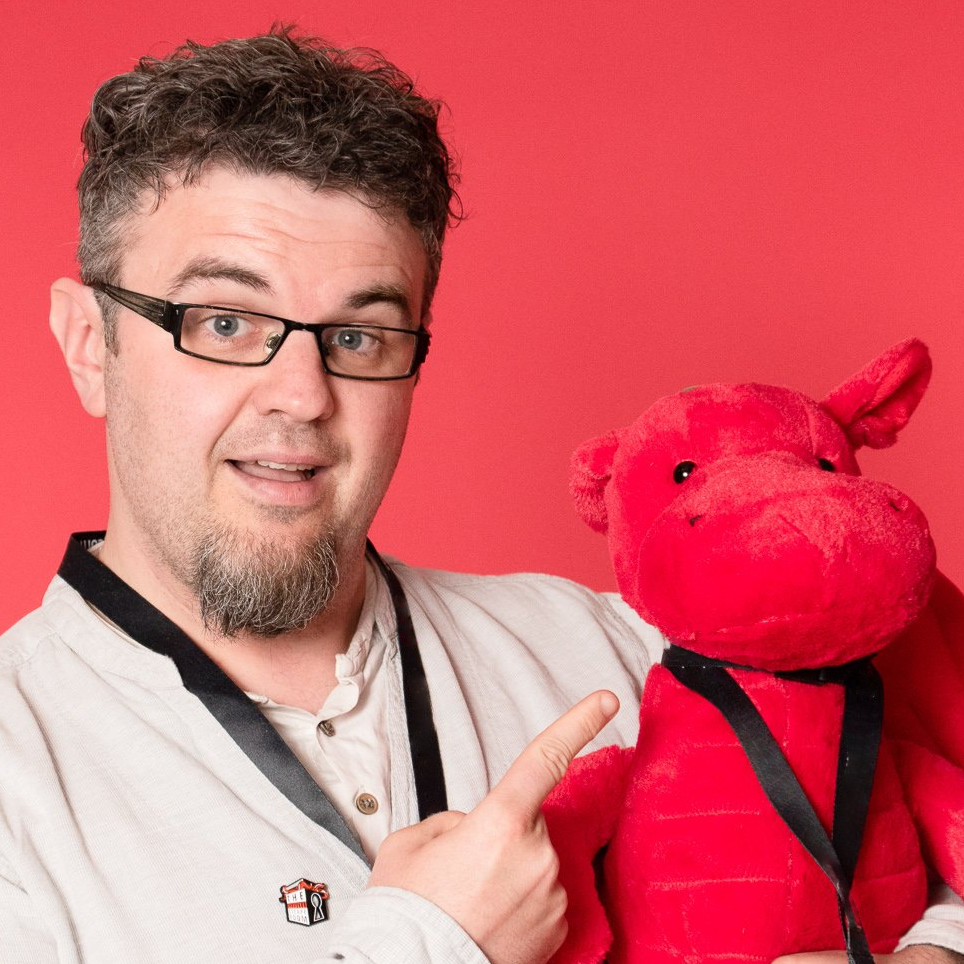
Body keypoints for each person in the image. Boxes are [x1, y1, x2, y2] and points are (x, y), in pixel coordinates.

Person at [0, 26, 960, 964]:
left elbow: (914, 817)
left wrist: (931, 947)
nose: (301, 394)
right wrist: (439, 941)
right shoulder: (17, 780)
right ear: (89, 345)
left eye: (358, 337)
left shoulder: (623, 654)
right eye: (223, 322)